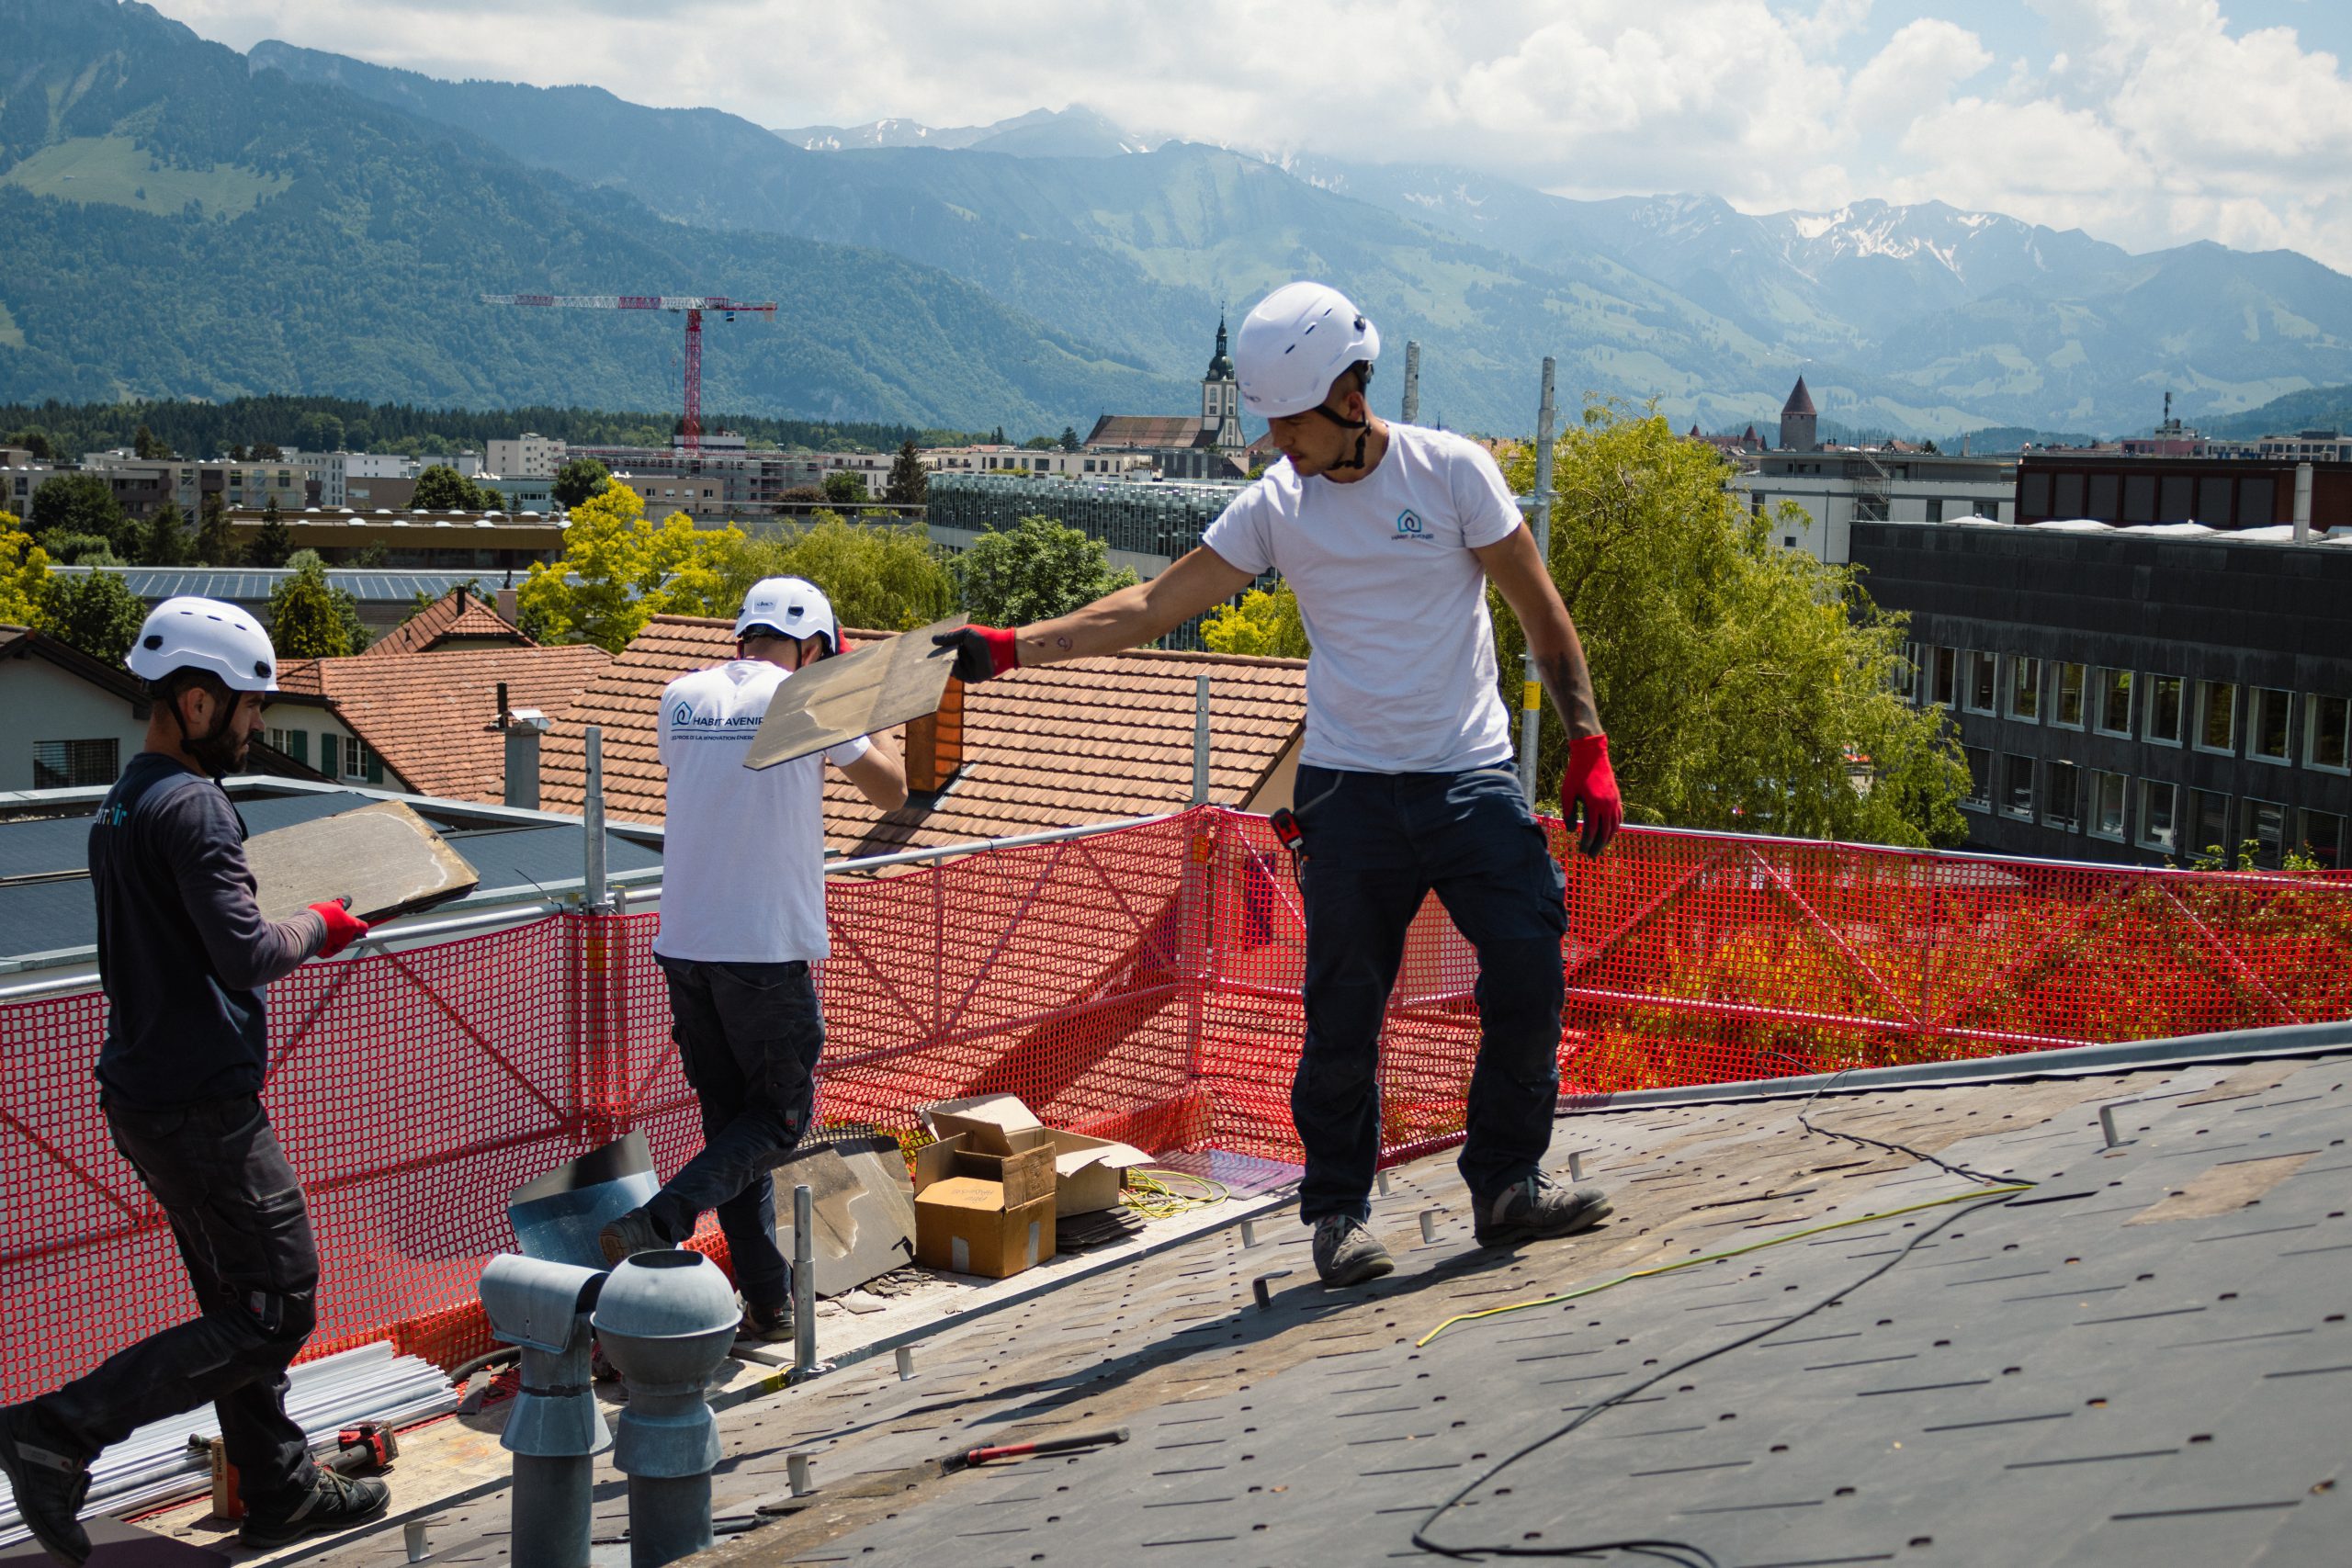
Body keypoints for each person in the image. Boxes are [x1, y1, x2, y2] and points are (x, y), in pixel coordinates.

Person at [936, 282, 1624, 1288]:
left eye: (1288, 423)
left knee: (1527, 972)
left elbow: (1539, 609)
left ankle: (1508, 1186)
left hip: (1468, 778)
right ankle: (1339, 1217)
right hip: (1348, 794)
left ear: (1350, 396)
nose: (1276, 445)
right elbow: (1150, 602)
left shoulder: (1452, 474)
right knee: (1343, 1012)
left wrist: (1586, 742)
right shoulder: (1277, 507)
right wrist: (1010, 649)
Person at [0, 598, 382, 1565]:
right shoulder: (197, 805)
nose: (257, 727)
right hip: (201, 1107)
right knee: (274, 1309)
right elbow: (247, 953)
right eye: (250, 708)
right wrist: (323, 923)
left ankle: (282, 1492)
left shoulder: (124, 798)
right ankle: (57, 1430)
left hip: (148, 1096)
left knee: (233, 1303)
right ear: (199, 699)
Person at [600, 578, 908, 1337]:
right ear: (813, 648)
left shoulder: (681, 695)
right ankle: (665, 1214)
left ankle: (767, 1301)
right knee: (779, 1118)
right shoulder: (808, 698)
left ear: (744, 633)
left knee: (732, 1129)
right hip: (765, 951)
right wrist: (868, 692)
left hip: (687, 947)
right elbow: (893, 789)